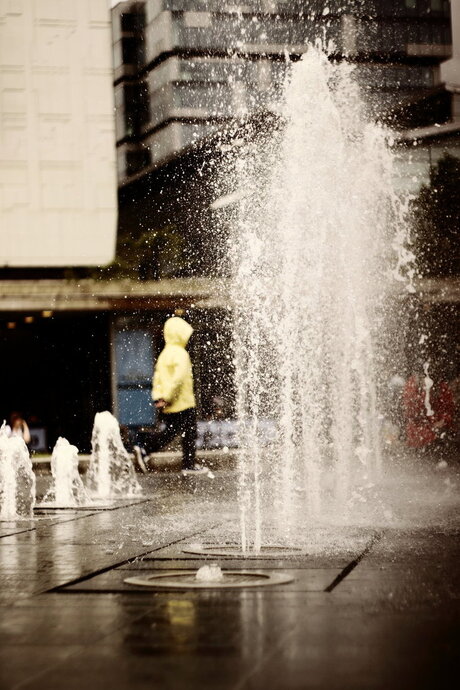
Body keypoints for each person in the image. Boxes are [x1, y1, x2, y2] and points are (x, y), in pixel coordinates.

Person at [133, 315, 207, 475]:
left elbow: (158, 378)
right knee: (188, 433)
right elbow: (178, 379)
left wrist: (159, 397)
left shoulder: (165, 354)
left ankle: (146, 447)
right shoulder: (180, 353)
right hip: (182, 402)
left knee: (171, 431)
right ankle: (187, 463)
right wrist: (168, 396)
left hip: (169, 402)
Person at [402, 368, 454, 451]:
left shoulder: (441, 386)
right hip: (419, 426)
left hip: (435, 426)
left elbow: (447, 409)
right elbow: (410, 411)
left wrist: (442, 421)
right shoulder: (412, 385)